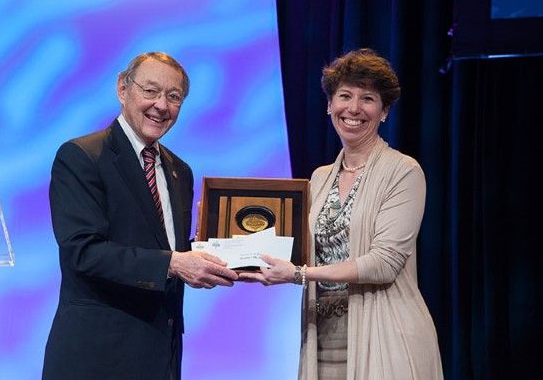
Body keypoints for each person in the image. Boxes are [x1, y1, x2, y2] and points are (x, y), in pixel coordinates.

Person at [240, 48, 443, 379]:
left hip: (386, 336)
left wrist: (299, 274)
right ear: (329, 105)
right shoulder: (320, 178)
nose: (354, 108)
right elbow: (295, 248)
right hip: (322, 338)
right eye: (345, 95)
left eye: (368, 99)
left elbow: (384, 263)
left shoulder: (404, 172)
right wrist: (226, 241)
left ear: (384, 111)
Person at [42, 52, 239, 379]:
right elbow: (83, 251)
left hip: (161, 356)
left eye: (173, 97)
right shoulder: (81, 156)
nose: (161, 105)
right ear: (123, 88)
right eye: (150, 91)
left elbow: (165, 247)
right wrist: (174, 263)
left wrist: (223, 251)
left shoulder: (179, 171)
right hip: (97, 357)